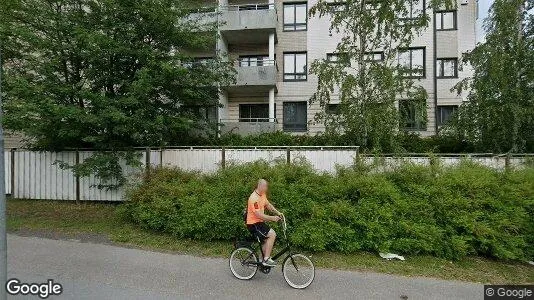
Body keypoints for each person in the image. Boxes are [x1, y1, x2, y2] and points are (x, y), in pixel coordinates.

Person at [246, 179, 282, 267]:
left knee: (267, 240)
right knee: (272, 234)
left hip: (259, 223)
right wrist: (272, 218)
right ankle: (266, 259)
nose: (266, 188)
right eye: (265, 186)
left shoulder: (262, 195)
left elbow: (268, 205)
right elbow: (259, 215)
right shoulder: (254, 198)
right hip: (253, 224)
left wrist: (278, 213)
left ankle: (262, 262)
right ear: (260, 186)